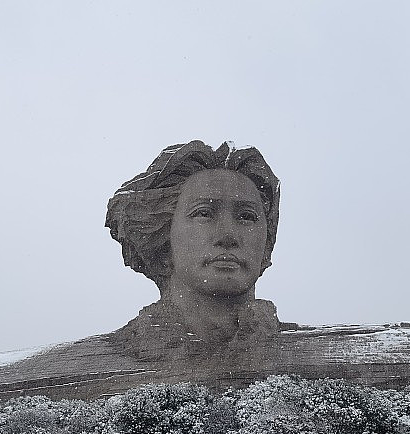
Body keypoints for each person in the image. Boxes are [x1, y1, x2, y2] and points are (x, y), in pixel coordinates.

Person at [106, 141, 284, 359]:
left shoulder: (322, 356)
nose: (228, 235)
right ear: (163, 240)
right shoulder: (80, 369)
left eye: (247, 217)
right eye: (204, 213)